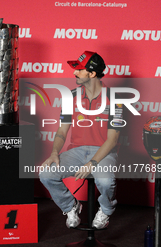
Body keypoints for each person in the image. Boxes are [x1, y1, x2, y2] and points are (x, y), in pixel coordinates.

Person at [39, 51, 123, 229]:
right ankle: (71, 206)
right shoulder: (71, 96)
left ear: (92, 74)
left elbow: (112, 140)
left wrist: (92, 163)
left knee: (106, 181)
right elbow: (62, 130)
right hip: (76, 151)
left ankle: (107, 209)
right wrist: (55, 153)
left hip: (104, 152)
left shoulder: (115, 98)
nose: (74, 73)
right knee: (46, 173)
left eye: (79, 69)